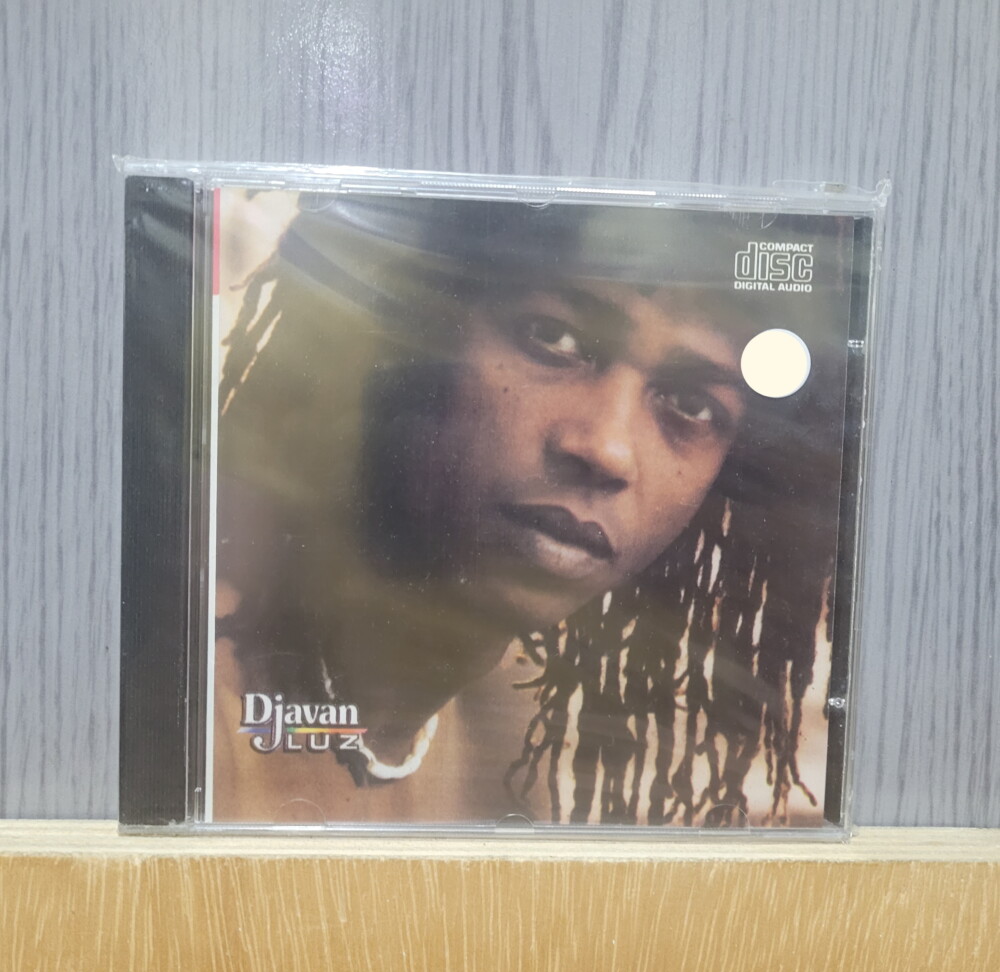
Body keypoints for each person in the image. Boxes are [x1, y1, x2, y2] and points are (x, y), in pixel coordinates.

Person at [211, 193, 848, 828]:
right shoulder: (192, 698)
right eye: (552, 337)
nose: (605, 448)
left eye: (690, 405)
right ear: (406, 329)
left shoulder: (505, 744)